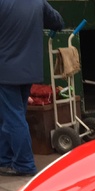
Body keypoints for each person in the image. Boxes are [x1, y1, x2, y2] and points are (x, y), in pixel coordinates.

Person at [0, 0, 64, 177]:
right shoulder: (37, 2)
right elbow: (58, 21)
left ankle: (23, 163)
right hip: (28, 71)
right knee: (13, 115)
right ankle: (4, 159)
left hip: (5, 71)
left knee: (13, 117)